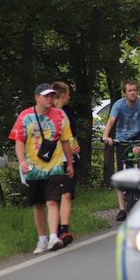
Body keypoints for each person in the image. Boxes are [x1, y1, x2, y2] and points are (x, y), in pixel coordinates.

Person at [9, 83, 74, 254]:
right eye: (46, 96)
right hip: (33, 168)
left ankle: (54, 237)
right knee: (38, 205)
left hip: (54, 167)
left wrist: (70, 163)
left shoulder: (60, 116)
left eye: (52, 96)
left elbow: (66, 140)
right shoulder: (25, 116)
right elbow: (19, 141)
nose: (50, 99)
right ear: (37, 97)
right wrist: (21, 161)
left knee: (52, 201)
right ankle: (42, 239)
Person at [102, 80, 140, 221]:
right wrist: (106, 136)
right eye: (129, 91)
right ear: (125, 93)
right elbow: (111, 120)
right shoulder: (118, 105)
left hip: (139, 135)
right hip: (122, 138)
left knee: (137, 151)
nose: (133, 93)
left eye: (134, 90)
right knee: (121, 173)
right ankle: (122, 209)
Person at [51, 81, 81, 245]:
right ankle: (53, 231)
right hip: (53, 160)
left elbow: (71, 134)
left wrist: (76, 144)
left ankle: (64, 229)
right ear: (62, 94)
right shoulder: (48, 113)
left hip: (69, 159)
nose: (69, 97)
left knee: (67, 194)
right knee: (54, 197)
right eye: (68, 93)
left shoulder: (68, 112)